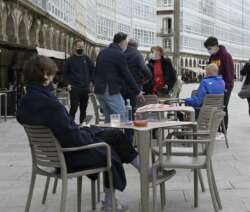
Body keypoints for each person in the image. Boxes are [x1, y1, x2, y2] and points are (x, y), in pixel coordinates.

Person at [16, 55, 175, 212]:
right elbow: (73, 138)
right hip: (70, 156)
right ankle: (110, 202)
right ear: (44, 74)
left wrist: (85, 130)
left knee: (114, 135)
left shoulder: (27, 102)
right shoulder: (50, 104)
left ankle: (144, 171)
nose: (53, 79)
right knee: (109, 150)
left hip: (54, 155)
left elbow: (62, 130)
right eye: (51, 74)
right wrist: (87, 133)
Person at [94, 32, 144, 123]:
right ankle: (124, 137)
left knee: (110, 119)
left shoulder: (102, 52)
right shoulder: (119, 54)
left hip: (99, 91)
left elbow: (96, 71)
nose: (126, 46)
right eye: (126, 43)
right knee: (123, 118)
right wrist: (138, 91)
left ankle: (110, 136)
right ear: (122, 42)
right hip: (110, 89)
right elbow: (127, 74)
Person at [204, 36, 235, 130]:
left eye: (210, 48)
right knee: (214, 107)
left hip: (225, 86)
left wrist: (227, 86)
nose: (209, 50)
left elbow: (230, 72)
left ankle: (223, 129)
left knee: (222, 107)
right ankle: (216, 128)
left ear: (215, 46)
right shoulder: (212, 56)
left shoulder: (226, 56)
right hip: (214, 87)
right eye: (207, 49)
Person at [63, 39, 94, 124]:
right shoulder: (69, 60)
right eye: (79, 46)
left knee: (83, 109)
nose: (81, 48)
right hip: (74, 88)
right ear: (74, 47)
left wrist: (92, 83)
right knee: (74, 107)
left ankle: (82, 126)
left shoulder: (86, 59)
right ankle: (69, 125)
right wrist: (67, 84)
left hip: (85, 88)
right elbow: (65, 74)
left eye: (82, 47)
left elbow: (92, 71)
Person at [123, 39, 152, 111]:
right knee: (133, 107)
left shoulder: (122, 53)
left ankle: (126, 120)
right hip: (135, 86)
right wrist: (148, 78)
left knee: (124, 107)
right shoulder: (137, 54)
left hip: (122, 86)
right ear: (136, 46)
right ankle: (132, 119)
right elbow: (144, 69)